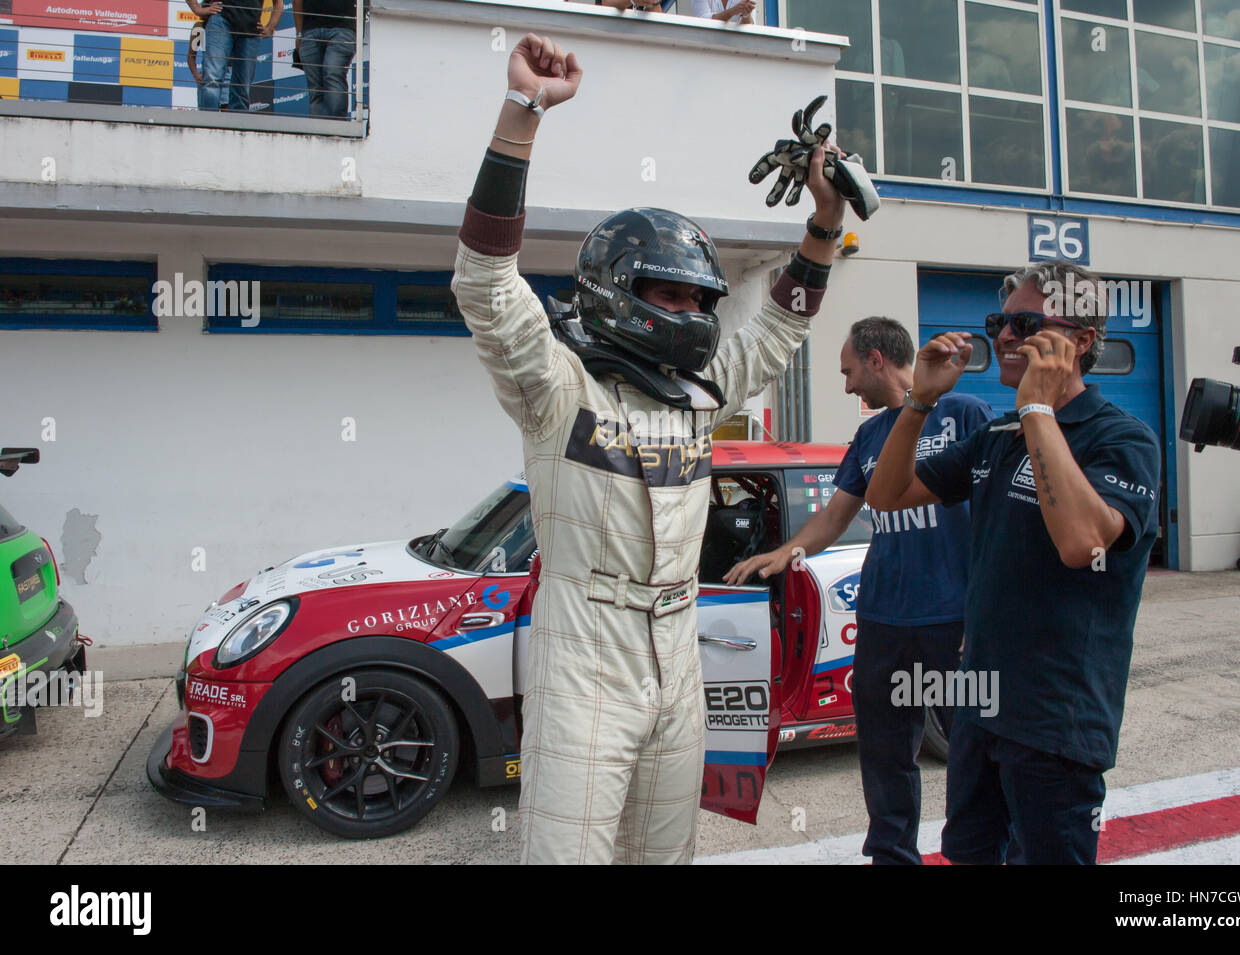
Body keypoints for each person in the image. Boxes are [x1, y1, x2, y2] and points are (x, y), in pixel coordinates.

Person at [451, 32, 851, 864]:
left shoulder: (703, 398)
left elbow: (779, 325)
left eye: (700, 296)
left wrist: (822, 222)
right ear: (615, 292)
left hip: (680, 644)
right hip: (584, 651)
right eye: (667, 291)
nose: (691, 308)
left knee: (666, 856)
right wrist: (523, 111)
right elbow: (486, 283)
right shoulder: (556, 390)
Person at [865, 260, 1161, 865]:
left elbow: (1083, 543)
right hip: (980, 705)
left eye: (1024, 323)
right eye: (1000, 320)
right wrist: (918, 401)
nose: (1002, 336)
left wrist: (1039, 411)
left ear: (1079, 342)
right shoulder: (998, 435)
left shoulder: (1121, 438)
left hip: (1057, 720)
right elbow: (886, 496)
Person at [725, 317, 991, 864]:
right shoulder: (869, 436)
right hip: (884, 621)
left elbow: (996, 515)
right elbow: (834, 518)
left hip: (952, 622)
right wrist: (786, 551)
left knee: (972, 750)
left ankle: (980, 853)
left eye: (848, 372)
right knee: (886, 754)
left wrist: (986, 610)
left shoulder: (965, 415)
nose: (846, 386)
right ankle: (892, 856)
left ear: (875, 359)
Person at [190, 0, 281, 112]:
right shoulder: (199, 27)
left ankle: (237, 127)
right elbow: (191, 56)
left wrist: (271, 26)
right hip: (222, 20)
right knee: (212, 78)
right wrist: (197, 9)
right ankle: (207, 124)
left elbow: (278, 3)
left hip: (251, 29)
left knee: (242, 86)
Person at [295, 0, 359, 118]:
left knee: (333, 74)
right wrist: (299, 34)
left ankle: (337, 128)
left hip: (342, 28)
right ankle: (318, 131)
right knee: (316, 86)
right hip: (310, 30)